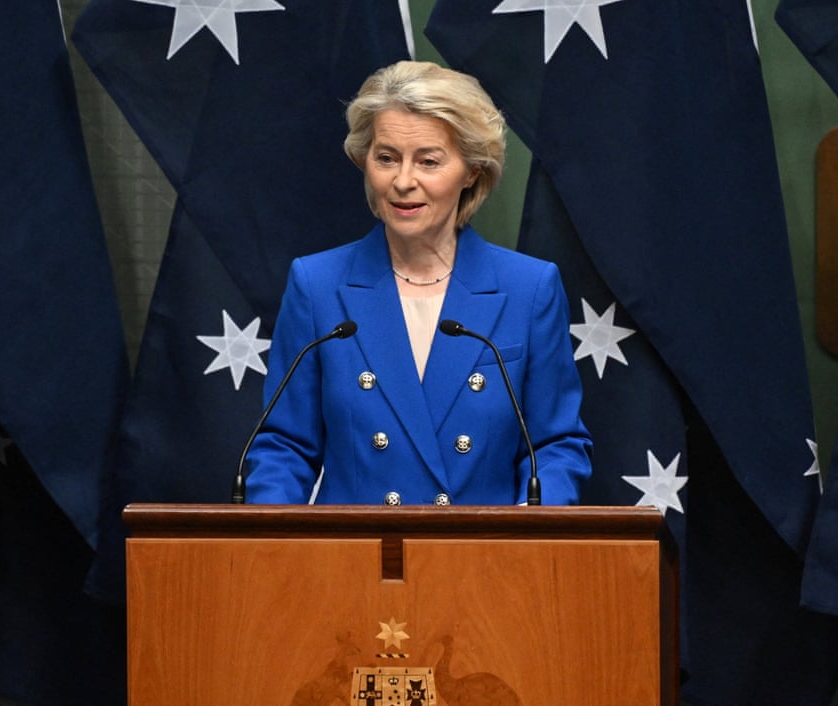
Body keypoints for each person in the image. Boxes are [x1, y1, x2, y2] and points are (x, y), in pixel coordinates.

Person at [245, 60, 591, 505]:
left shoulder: (529, 289)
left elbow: (554, 447)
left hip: (485, 562)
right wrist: (277, 550)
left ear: (471, 171)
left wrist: (528, 534)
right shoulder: (317, 285)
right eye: (386, 158)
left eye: (428, 161)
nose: (403, 182)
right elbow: (284, 447)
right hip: (352, 563)